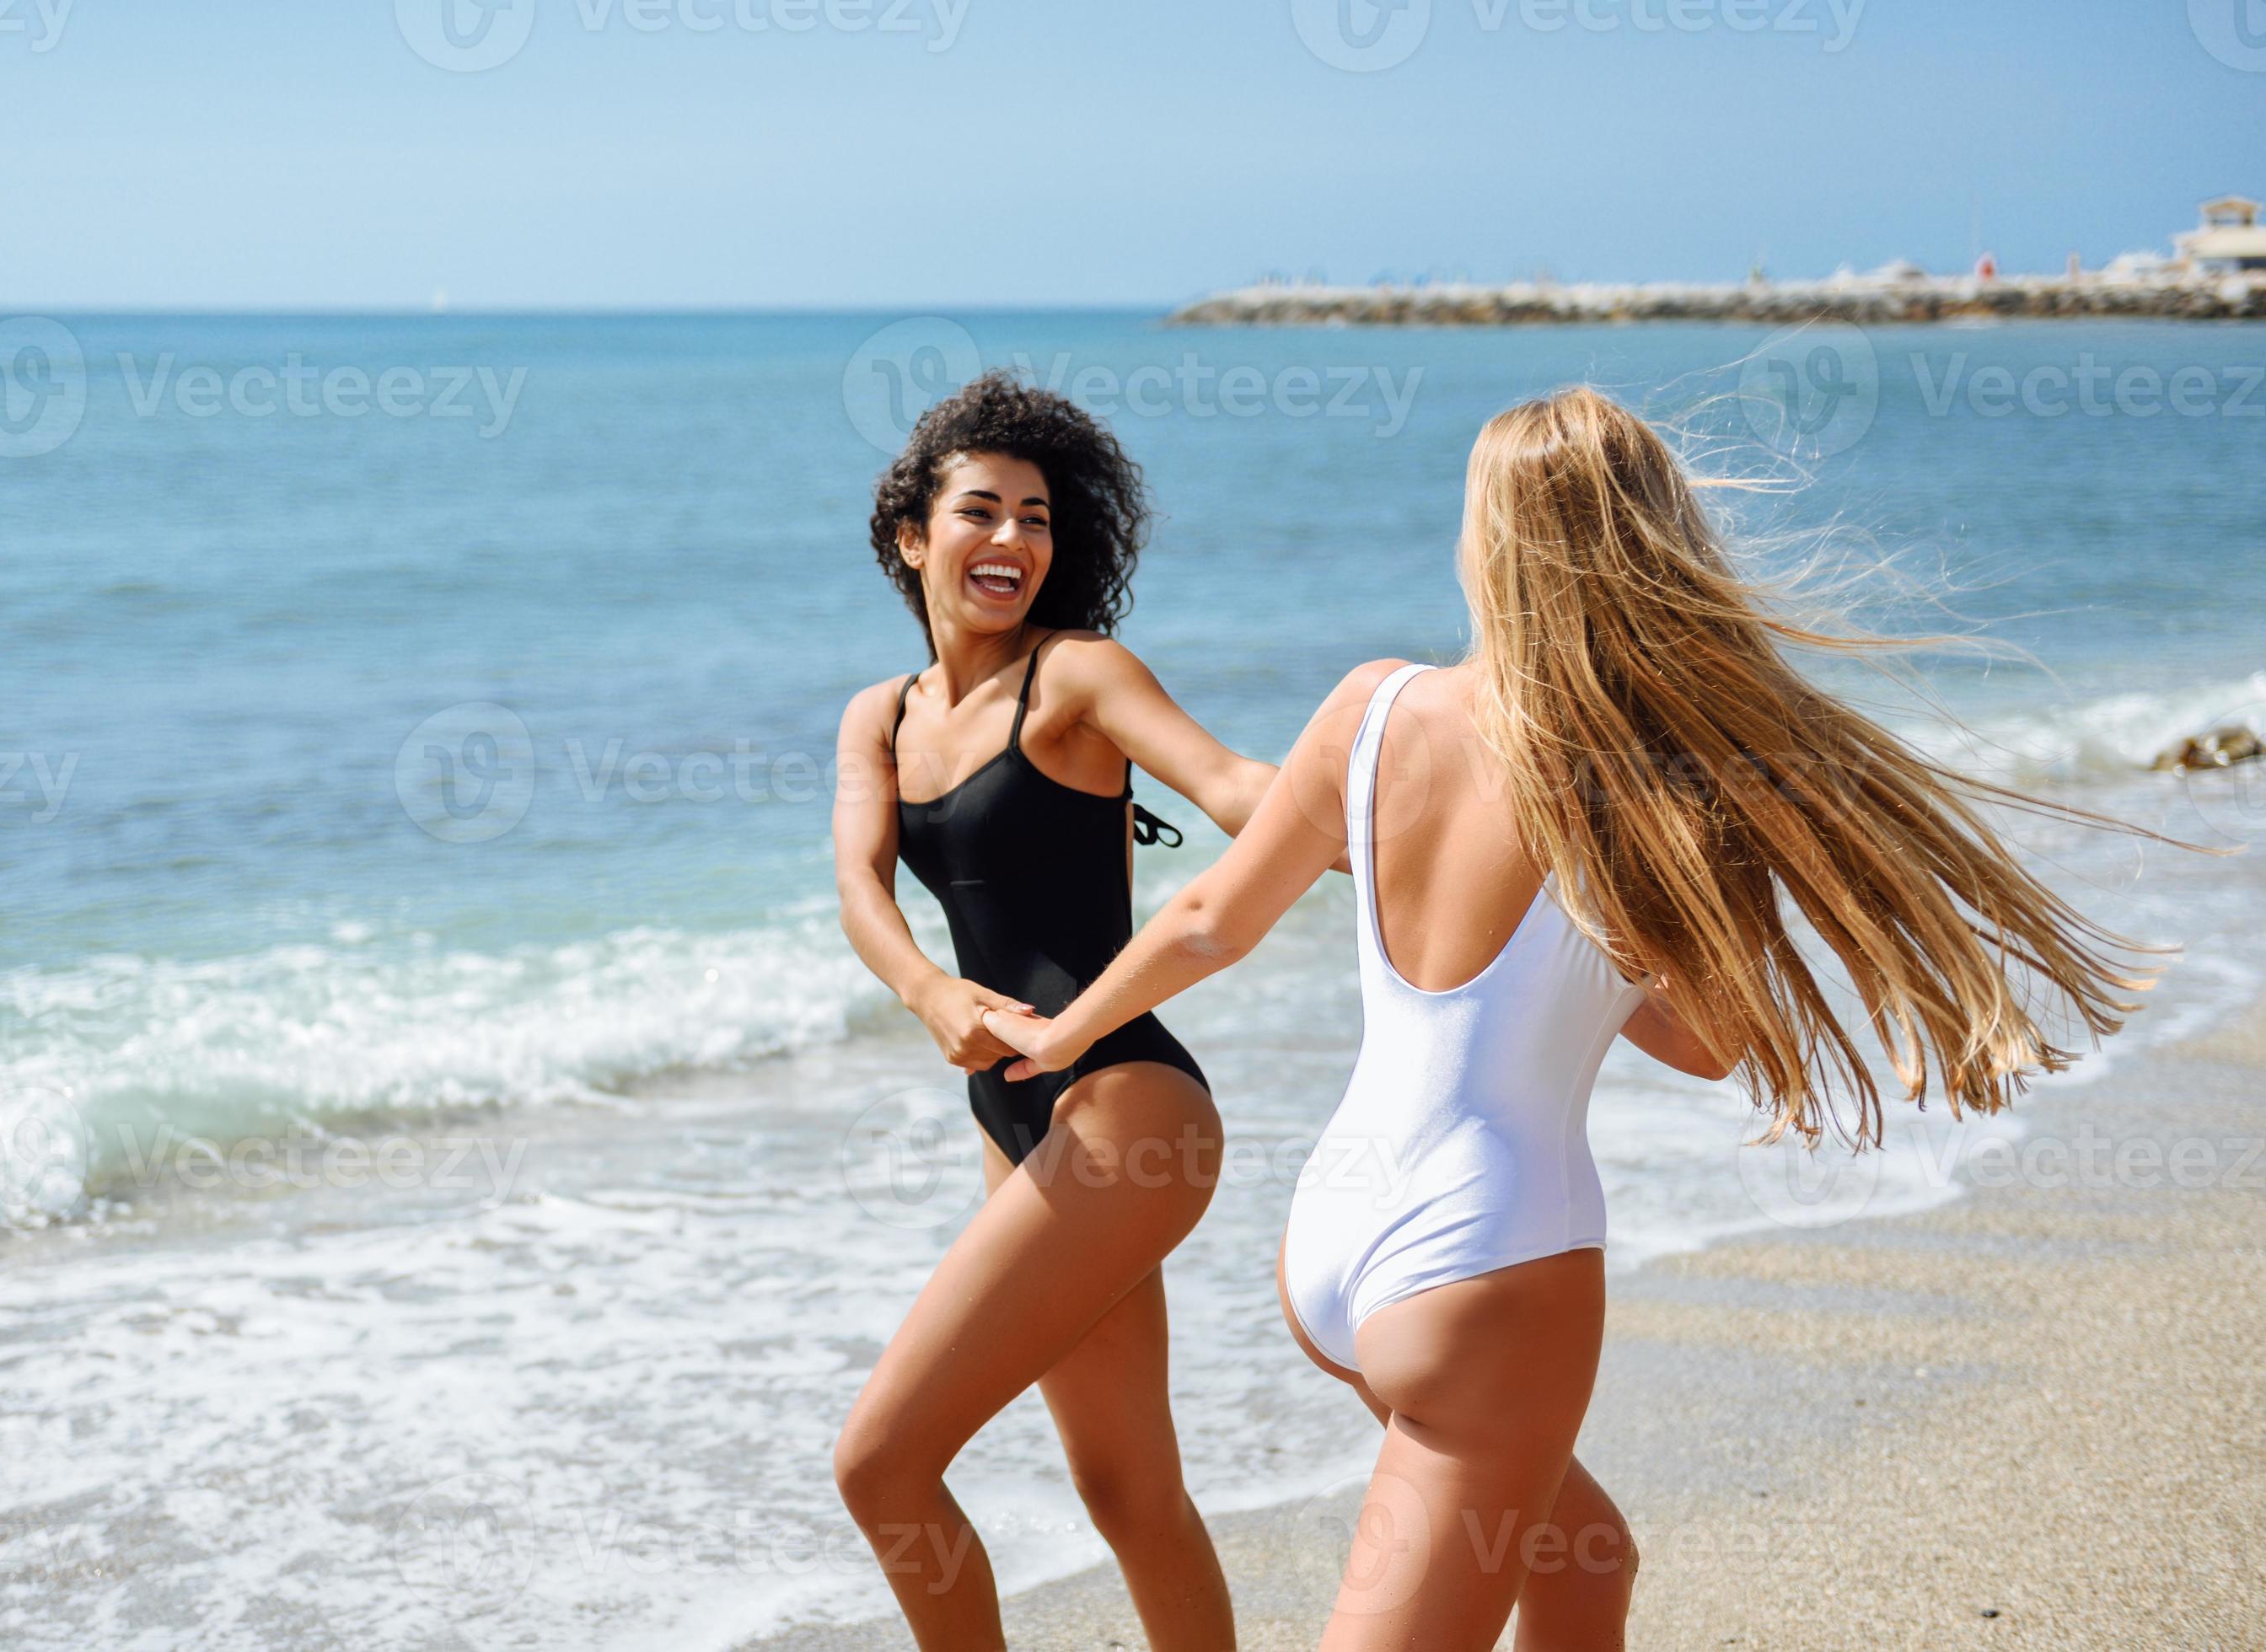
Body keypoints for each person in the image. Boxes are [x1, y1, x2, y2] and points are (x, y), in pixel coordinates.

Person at [987, 386, 2161, 1649]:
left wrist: (1060, 1036)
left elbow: (1212, 916)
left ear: (1483, 538)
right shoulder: (1644, 781)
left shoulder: (1370, 709)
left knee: (1585, 1566)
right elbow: (1713, 1047)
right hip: (1486, 1265)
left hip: (1332, 1242)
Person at [831, 372, 1297, 1650]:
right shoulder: (879, 718)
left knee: (879, 1465)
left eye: (1036, 518)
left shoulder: (1079, 676)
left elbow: (1233, 783)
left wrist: (1388, 808)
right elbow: (859, 890)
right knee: (1127, 1488)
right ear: (909, 537)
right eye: (980, 511)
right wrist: (927, 990)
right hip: (1013, 1116)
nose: (1013, 540)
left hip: (1124, 1101)